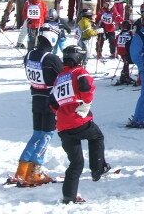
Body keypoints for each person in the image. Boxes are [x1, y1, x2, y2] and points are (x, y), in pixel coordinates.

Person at [51, 45, 110, 205]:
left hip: (63, 125)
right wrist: (86, 104)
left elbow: (52, 101)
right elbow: (86, 87)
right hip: (78, 119)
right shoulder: (79, 72)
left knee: (76, 163)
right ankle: (98, 169)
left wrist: (62, 112)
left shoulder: (59, 77)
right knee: (97, 136)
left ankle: (69, 197)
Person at [14, 27, 64, 185]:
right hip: (50, 100)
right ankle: (35, 171)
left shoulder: (29, 54)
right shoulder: (52, 58)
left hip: (36, 97)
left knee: (36, 134)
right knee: (47, 135)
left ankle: (22, 170)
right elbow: (63, 75)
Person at [115, 20, 135, 85]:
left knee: (126, 63)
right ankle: (124, 77)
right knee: (126, 63)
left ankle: (126, 76)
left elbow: (116, 42)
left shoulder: (119, 35)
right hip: (126, 51)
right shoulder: (130, 34)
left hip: (121, 51)